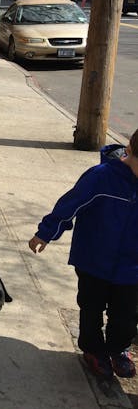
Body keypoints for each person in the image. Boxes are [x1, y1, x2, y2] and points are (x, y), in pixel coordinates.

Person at [29, 129, 138, 379]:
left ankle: (118, 348)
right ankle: (93, 349)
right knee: (91, 307)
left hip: (131, 267)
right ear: (130, 150)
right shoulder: (101, 177)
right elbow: (70, 205)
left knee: (125, 316)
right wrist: (46, 233)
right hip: (93, 259)